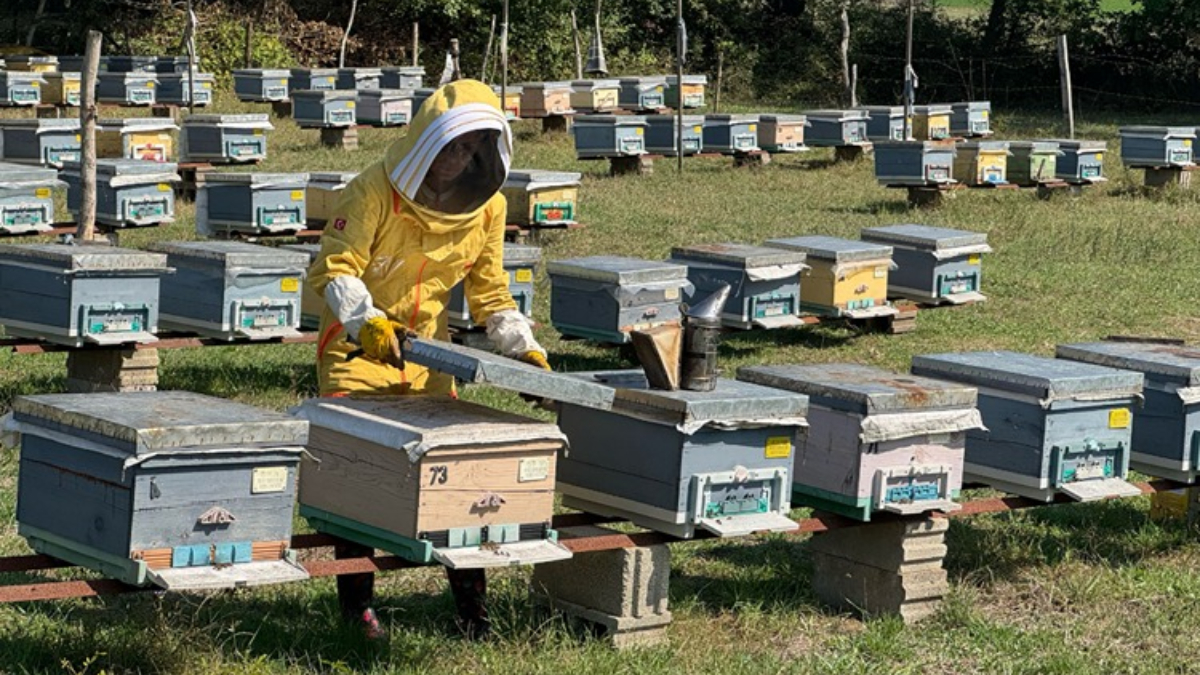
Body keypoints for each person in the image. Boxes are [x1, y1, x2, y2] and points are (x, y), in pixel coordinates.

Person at [307, 79, 550, 640]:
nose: (456, 160)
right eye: (448, 147)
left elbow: (490, 292)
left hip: (431, 359)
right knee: (360, 475)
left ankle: (471, 614)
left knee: (458, 484)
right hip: (357, 352)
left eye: (468, 149)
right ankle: (358, 611)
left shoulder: (487, 209)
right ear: (424, 141)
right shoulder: (371, 191)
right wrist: (367, 322)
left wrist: (524, 349)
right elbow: (335, 268)